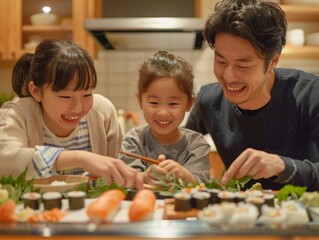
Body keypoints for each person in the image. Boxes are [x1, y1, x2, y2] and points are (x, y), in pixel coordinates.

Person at [185, 0, 319, 191]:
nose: (229, 77)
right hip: (239, 216)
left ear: (273, 62)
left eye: (243, 65)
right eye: (221, 61)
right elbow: (180, 150)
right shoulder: (209, 100)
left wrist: (283, 166)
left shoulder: (310, 93)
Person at [0, 38, 142, 189]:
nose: (78, 108)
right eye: (65, 97)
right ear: (36, 91)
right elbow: (5, 161)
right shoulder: (17, 113)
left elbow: (118, 168)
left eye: (87, 94)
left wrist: (139, 176)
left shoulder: (102, 111)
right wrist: (81, 158)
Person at [118, 50, 211, 186]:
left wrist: (184, 175)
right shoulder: (134, 140)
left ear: (189, 104)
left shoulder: (196, 144)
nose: (162, 112)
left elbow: (201, 186)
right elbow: (126, 181)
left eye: (173, 104)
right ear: (140, 102)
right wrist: (144, 176)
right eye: (154, 103)